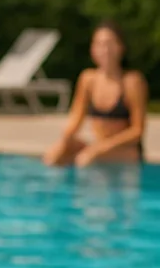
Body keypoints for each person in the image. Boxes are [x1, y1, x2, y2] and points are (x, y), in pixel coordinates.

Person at [43, 21, 148, 167]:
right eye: (98, 44)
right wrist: (66, 138)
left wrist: (99, 149)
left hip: (126, 150)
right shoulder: (88, 79)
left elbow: (137, 131)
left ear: (121, 47)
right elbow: (76, 118)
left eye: (109, 44)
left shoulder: (132, 81)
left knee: (87, 160)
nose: (104, 50)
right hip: (98, 146)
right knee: (54, 155)